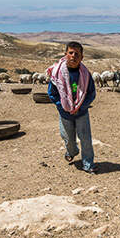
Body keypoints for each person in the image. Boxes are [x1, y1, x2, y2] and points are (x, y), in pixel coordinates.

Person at [47, 41, 97, 173]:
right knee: (68, 138)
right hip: (65, 113)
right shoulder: (57, 73)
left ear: (81, 57)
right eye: (70, 53)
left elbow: (91, 93)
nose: (73, 56)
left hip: (82, 113)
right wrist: (62, 106)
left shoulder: (85, 75)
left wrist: (81, 106)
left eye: (77, 54)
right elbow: (52, 93)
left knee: (85, 139)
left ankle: (88, 164)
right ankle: (72, 151)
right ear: (65, 54)